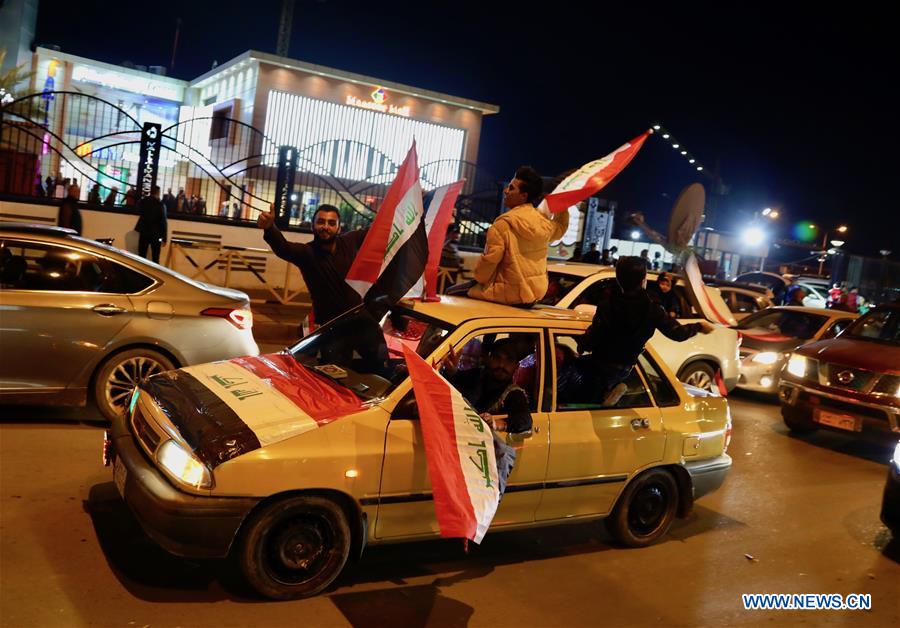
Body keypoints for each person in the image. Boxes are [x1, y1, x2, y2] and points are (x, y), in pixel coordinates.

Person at [577, 257, 715, 404]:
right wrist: (698, 326)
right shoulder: (652, 308)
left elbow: (595, 335)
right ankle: (609, 392)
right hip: (624, 367)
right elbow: (677, 333)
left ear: (618, 278)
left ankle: (606, 393)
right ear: (643, 280)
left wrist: (582, 345)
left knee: (576, 385)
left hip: (599, 362)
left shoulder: (607, 305)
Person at [465, 166, 568, 305]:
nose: (505, 191)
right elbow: (561, 228)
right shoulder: (543, 223)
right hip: (534, 296)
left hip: (504, 293)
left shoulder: (502, 224)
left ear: (524, 196)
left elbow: (485, 269)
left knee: (452, 293)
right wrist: (563, 202)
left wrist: (478, 278)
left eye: (511, 188)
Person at [258, 203, 368, 326]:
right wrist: (270, 228)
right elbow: (283, 247)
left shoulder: (349, 241)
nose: (326, 227)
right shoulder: (307, 253)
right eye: (321, 222)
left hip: (358, 320)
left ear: (339, 228)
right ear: (312, 225)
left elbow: (377, 231)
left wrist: (393, 206)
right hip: (326, 326)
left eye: (332, 223)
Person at [441, 338, 532, 434]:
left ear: (516, 367)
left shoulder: (513, 393)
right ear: (490, 359)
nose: (501, 365)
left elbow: (525, 420)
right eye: (497, 358)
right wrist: (451, 372)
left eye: (508, 360)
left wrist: (497, 423)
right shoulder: (477, 375)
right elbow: (456, 382)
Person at [134, 185, 168, 263]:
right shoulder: (160, 204)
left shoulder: (143, 201)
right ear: (158, 193)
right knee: (155, 257)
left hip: (144, 232)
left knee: (141, 255)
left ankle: (139, 273)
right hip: (157, 234)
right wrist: (164, 238)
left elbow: (137, 210)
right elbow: (163, 222)